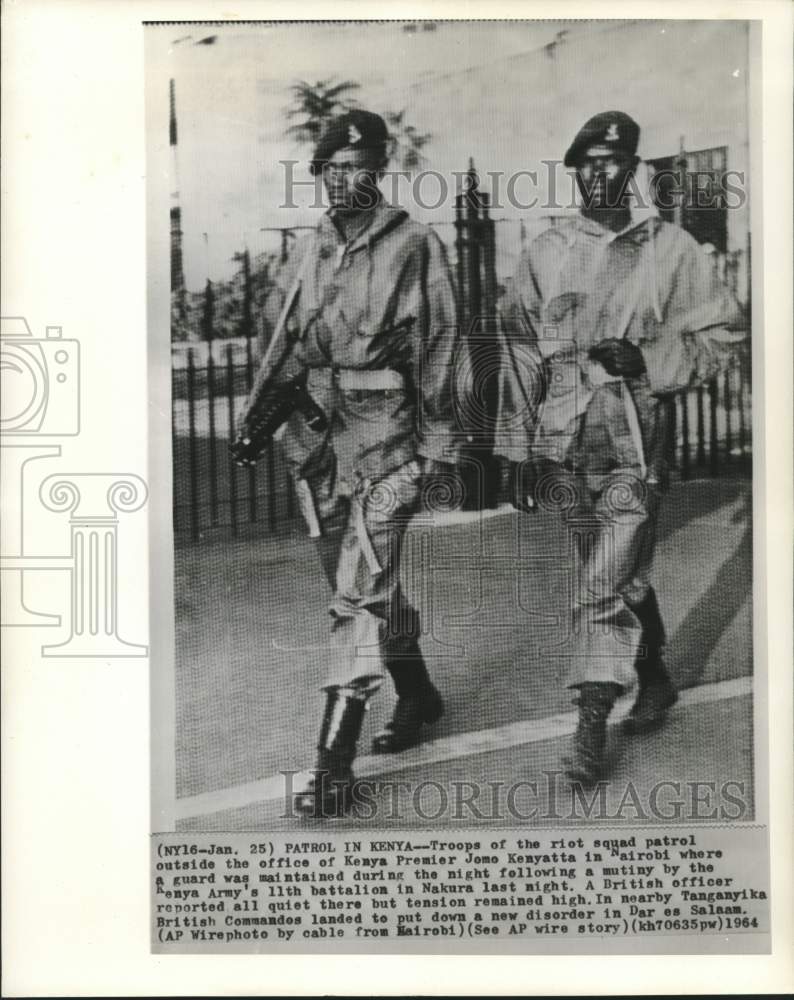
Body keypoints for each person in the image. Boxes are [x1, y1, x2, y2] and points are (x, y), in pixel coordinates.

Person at [494, 111, 745, 784]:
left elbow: (722, 339)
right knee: (620, 576)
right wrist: (517, 449)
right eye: (589, 163)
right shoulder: (546, 251)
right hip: (565, 440)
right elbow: (518, 351)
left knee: (599, 586)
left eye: (617, 163)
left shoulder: (674, 250)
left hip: (634, 440)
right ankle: (655, 676)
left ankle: (589, 726)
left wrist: (647, 357)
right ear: (574, 170)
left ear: (634, 170)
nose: (602, 174)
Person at [240, 109, 460, 817]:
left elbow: (441, 346)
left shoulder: (414, 245)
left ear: (378, 172)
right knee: (364, 583)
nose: (341, 180)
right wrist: (261, 417)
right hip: (318, 440)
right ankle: (418, 693)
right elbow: (281, 341)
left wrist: (436, 448)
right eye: (331, 169)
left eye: (355, 168)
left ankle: (332, 763)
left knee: (357, 595)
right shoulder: (308, 250)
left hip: (386, 435)